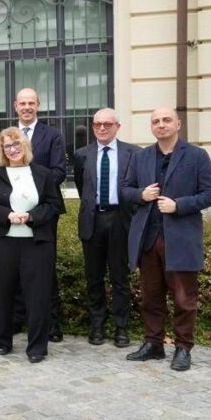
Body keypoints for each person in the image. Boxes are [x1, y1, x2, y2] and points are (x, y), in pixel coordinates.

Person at [122, 107, 211, 371]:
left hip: (181, 238)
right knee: (150, 296)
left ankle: (183, 348)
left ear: (178, 124)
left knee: (184, 298)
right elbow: (125, 190)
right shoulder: (140, 156)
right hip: (148, 238)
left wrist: (179, 205)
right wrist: (141, 195)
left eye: (166, 120)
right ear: (151, 127)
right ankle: (153, 343)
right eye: (156, 121)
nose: (161, 125)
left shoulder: (197, 156)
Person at [0, 127, 64, 363]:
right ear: (2, 150)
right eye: (8, 146)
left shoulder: (43, 174)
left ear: (25, 146)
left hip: (36, 244)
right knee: (1, 294)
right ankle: (2, 341)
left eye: (17, 144)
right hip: (0, 244)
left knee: (38, 297)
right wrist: (8, 215)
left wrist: (31, 217)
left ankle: (37, 347)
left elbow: (55, 205)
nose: (13, 149)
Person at [73, 108, 138, 347]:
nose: (102, 128)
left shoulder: (133, 153)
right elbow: (83, 189)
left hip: (121, 220)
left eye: (107, 124)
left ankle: (121, 328)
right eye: (97, 124)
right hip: (93, 220)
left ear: (117, 127)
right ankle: (97, 326)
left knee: (120, 278)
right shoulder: (82, 155)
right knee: (94, 277)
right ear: (92, 127)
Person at [14, 87, 67, 341]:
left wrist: (30, 188)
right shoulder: (8, 136)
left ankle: (51, 323)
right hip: (11, 212)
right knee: (15, 266)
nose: (26, 107)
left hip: (43, 210)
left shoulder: (52, 136)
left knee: (44, 268)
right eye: (22, 103)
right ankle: (19, 318)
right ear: (15, 106)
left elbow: (59, 172)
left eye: (31, 103)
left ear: (38, 105)